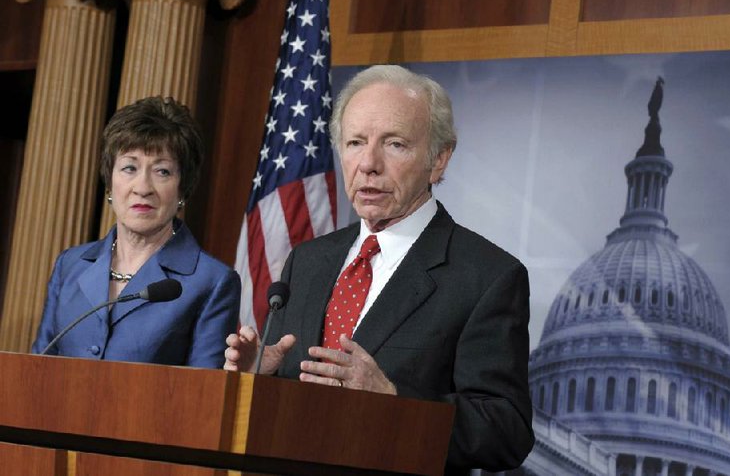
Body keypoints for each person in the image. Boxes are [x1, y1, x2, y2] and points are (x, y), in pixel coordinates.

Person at [224, 65, 534, 472]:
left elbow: (506, 432)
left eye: (394, 144)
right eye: (355, 142)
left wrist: (392, 402)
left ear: (438, 160)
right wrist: (257, 381)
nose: (368, 163)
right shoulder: (307, 260)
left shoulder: (487, 277)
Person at [32, 96, 240, 368]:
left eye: (162, 171)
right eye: (129, 167)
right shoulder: (70, 265)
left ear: (182, 189)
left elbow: (203, 397)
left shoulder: (212, 282)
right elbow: (36, 369)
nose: (143, 187)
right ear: (110, 182)